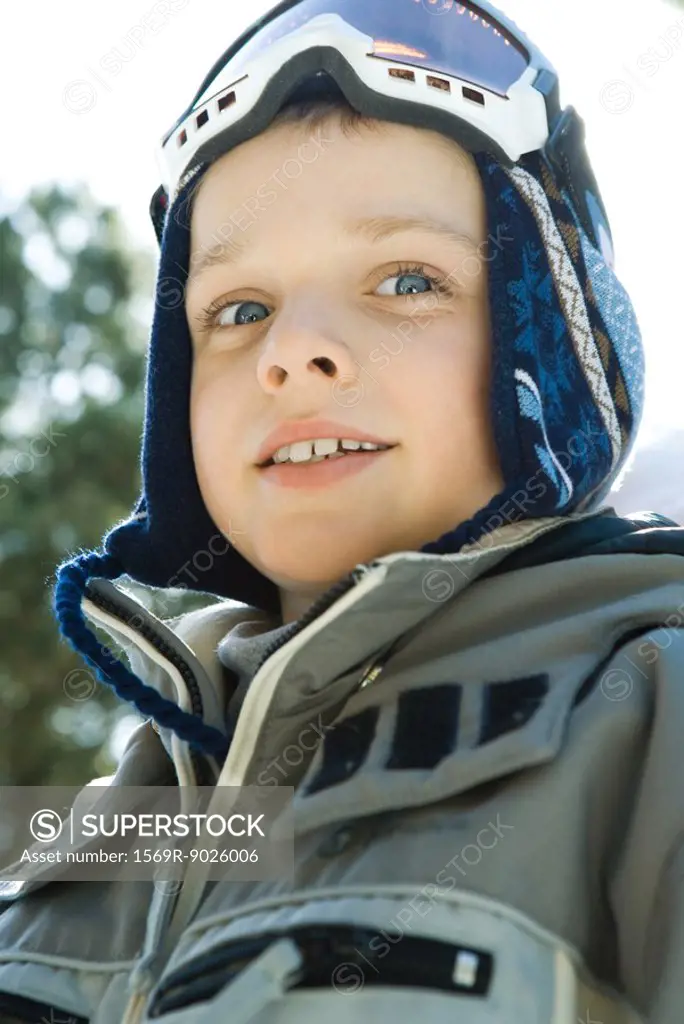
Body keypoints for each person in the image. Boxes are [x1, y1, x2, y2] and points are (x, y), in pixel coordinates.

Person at [1, 1, 684, 1022]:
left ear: (555, 339)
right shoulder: (106, 821)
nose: (291, 351)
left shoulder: (648, 712)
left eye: (407, 280)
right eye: (239, 310)